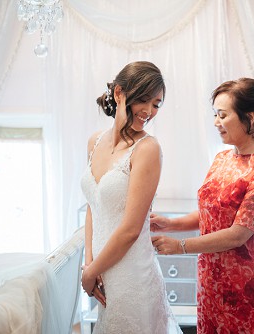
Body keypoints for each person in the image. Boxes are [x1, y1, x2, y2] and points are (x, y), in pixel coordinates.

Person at [151, 78, 254, 333]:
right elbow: (211, 214)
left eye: (222, 115)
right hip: (210, 275)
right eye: (215, 114)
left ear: (250, 117)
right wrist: (170, 223)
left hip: (242, 283)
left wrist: (180, 246)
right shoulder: (222, 158)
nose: (216, 123)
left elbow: (238, 233)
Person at [80, 61, 182, 334]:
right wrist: (90, 264)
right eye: (143, 100)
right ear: (119, 93)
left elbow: (131, 229)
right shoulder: (94, 142)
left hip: (132, 275)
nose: (149, 111)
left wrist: (90, 274)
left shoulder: (147, 149)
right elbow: (94, 206)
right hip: (103, 272)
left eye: (157, 103)